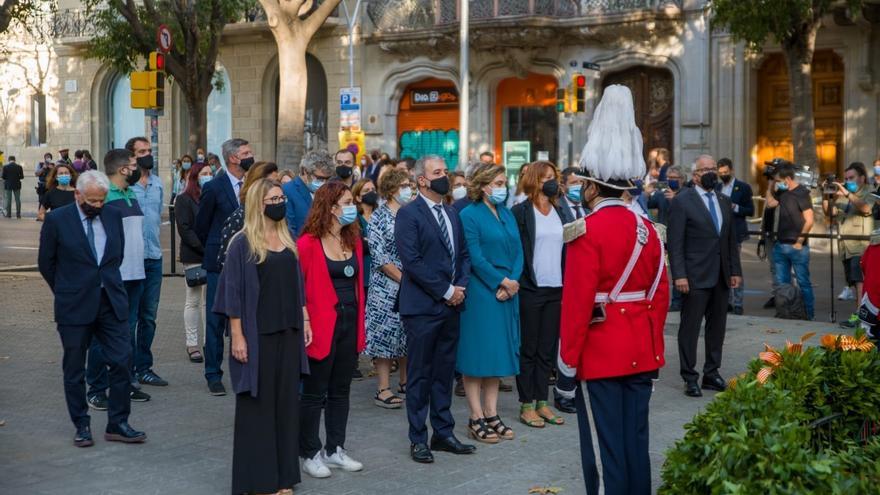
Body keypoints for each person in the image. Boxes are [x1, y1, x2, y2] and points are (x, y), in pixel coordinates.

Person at [556, 85, 670, 495]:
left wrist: (565, 371)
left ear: (590, 187)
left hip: (600, 355)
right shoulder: (651, 231)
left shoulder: (585, 232)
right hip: (642, 352)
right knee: (636, 445)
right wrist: (654, 350)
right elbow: (660, 299)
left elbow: (576, 307)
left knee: (605, 455)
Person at [211, 179, 310, 495]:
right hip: (257, 336)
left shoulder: (287, 239)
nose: (279, 202)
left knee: (285, 406)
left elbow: (297, 287)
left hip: (289, 333)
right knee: (258, 407)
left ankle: (283, 479)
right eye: (273, 198)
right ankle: (261, 481)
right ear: (258, 203)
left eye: (281, 197)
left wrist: (305, 319)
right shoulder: (242, 243)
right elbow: (233, 293)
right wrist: (237, 336)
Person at [38, 170, 147, 447]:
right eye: (93, 201)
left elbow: (116, 255)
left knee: (122, 360)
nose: (98, 206)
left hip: (110, 302)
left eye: (102, 200)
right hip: (74, 306)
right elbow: (46, 263)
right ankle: (81, 425)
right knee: (74, 369)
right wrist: (67, 290)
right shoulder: (57, 220)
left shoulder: (111, 215)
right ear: (78, 194)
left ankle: (118, 423)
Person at [395, 154, 475, 464]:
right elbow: (411, 262)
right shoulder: (409, 214)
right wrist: (445, 291)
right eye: (437, 172)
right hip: (422, 307)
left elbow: (463, 254)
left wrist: (460, 287)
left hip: (452, 305)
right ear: (422, 180)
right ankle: (418, 438)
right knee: (419, 375)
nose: (445, 176)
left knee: (443, 373)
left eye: (445, 170)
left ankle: (443, 432)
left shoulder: (452, 212)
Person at [297, 181, 366, 478]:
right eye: (348, 202)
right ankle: (309, 452)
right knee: (315, 392)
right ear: (332, 207)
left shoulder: (354, 240)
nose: (354, 207)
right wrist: (305, 321)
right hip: (322, 323)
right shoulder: (307, 244)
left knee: (341, 389)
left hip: (350, 319)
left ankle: (334, 448)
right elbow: (297, 288)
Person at [456, 163, 524, 444]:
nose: (503, 187)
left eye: (503, 182)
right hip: (483, 292)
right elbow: (473, 255)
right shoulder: (468, 215)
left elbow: (519, 250)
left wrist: (514, 281)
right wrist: (500, 281)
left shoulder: (506, 213)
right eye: (498, 182)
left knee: (496, 356)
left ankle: (491, 412)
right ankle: (475, 416)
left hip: (508, 290)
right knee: (477, 357)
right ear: (484, 186)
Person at [668, 155, 742, 398]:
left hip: (720, 275)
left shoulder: (723, 200)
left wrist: (735, 271)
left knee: (717, 328)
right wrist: (679, 275)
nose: (712, 172)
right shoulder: (682, 201)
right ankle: (690, 376)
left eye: (714, 168)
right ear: (695, 175)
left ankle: (712, 372)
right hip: (694, 276)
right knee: (690, 328)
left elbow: (729, 240)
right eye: (706, 169)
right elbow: (675, 243)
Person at [511, 161, 577, 423]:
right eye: (547, 177)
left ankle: (542, 401)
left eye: (555, 177)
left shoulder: (560, 210)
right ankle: (526, 404)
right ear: (535, 180)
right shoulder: (520, 212)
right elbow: (516, 250)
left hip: (557, 288)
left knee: (547, 350)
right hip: (531, 288)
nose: (552, 181)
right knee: (529, 347)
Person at [86, 149, 152, 408]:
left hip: (136, 273)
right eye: (134, 164)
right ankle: (97, 388)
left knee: (127, 332)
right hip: (114, 278)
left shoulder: (130, 193)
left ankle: (126, 382)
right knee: (103, 335)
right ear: (123, 169)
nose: (138, 168)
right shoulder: (104, 197)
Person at [195, 137, 255, 396]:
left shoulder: (253, 184)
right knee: (215, 319)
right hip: (219, 262)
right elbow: (202, 225)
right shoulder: (214, 187)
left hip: (250, 260)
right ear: (233, 158)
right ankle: (213, 373)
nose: (250, 156)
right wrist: (216, 248)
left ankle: (247, 368)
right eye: (246, 152)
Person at [365, 169, 412, 409]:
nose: (409, 188)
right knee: (385, 336)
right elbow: (381, 256)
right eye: (404, 185)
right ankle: (383, 388)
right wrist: (404, 280)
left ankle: (406, 382)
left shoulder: (411, 213)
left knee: (406, 334)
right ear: (392, 189)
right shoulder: (379, 217)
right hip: (386, 287)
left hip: (412, 284)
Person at [125, 137, 167, 387]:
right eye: (142, 152)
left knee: (149, 317)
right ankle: (126, 369)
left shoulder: (158, 183)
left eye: (149, 150)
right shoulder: (126, 188)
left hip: (154, 258)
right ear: (132, 157)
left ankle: (144, 367)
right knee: (130, 319)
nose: (147, 154)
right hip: (132, 261)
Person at [823, 162, 874, 327]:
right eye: (846, 178)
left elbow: (866, 208)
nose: (848, 181)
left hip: (861, 245)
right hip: (846, 246)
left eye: (851, 178)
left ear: (862, 178)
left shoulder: (869, 192)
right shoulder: (843, 195)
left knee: (860, 283)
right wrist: (827, 196)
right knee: (854, 283)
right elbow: (830, 213)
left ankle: (861, 318)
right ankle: (859, 314)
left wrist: (847, 193)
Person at [174, 162, 213, 363]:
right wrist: (204, 249)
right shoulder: (183, 199)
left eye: (210, 173)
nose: (208, 176)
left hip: (212, 255)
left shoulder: (211, 196)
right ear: (195, 177)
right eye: (204, 173)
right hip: (194, 254)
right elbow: (185, 229)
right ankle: (192, 343)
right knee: (193, 300)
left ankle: (209, 342)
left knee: (209, 302)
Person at [766, 163, 815, 320]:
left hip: (797, 247)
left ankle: (808, 315)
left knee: (803, 283)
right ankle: (785, 313)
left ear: (787, 178)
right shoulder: (783, 191)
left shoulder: (802, 193)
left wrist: (799, 241)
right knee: (782, 284)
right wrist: (771, 184)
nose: (777, 182)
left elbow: (809, 220)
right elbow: (770, 204)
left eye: (779, 180)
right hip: (781, 245)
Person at [217, 161, 280, 269]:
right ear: (256, 185)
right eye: (270, 183)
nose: (276, 188)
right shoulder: (239, 218)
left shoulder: (276, 217)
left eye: (277, 183)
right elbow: (225, 263)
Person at [716, 158, 754, 315]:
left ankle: (738, 302)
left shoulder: (743, 187)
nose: (723, 175)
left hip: (735, 234)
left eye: (726, 172)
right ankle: (727, 302)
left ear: (731, 170)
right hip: (718, 234)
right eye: (720, 173)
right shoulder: (716, 187)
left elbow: (750, 210)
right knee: (721, 268)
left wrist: (735, 207)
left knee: (734, 267)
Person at [283, 151, 335, 237]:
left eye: (327, 178)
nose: (324, 183)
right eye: (319, 178)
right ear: (305, 171)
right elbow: (289, 230)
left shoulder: (328, 191)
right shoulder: (287, 190)